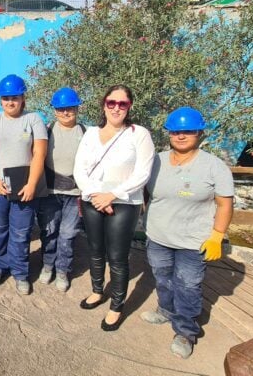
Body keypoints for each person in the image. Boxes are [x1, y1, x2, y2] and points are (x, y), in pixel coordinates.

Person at [141, 107, 233, 359]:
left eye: (188, 131)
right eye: (175, 131)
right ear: (169, 133)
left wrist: (217, 236)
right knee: (162, 277)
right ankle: (165, 310)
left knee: (188, 285)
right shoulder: (156, 161)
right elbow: (145, 191)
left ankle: (185, 331)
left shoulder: (214, 166)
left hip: (194, 241)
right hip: (158, 236)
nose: (181, 136)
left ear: (200, 133)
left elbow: (225, 204)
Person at [73, 84, 154, 331]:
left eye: (122, 104)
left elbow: (143, 173)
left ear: (129, 106)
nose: (116, 108)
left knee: (118, 257)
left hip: (125, 202)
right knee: (96, 250)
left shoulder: (138, 134)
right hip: (92, 200)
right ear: (104, 104)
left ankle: (116, 306)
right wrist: (96, 196)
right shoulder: (90, 134)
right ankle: (98, 291)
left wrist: (112, 195)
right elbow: (79, 169)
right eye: (112, 102)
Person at [0, 75, 47, 294]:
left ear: (23, 98)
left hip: (23, 188)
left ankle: (20, 273)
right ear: (0, 100)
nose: (10, 102)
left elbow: (39, 154)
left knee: (21, 232)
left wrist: (32, 184)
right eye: (6, 98)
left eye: (15, 97)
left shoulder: (34, 120)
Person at [37, 87, 86, 292]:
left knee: (67, 234)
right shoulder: (46, 131)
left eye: (70, 108)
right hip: (50, 192)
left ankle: (63, 270)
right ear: (54, 110)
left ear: (77, 109)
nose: (66, 113)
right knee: (49, 231)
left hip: (75, 194)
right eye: (61, 109)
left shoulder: (86, 133)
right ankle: (48, 266)